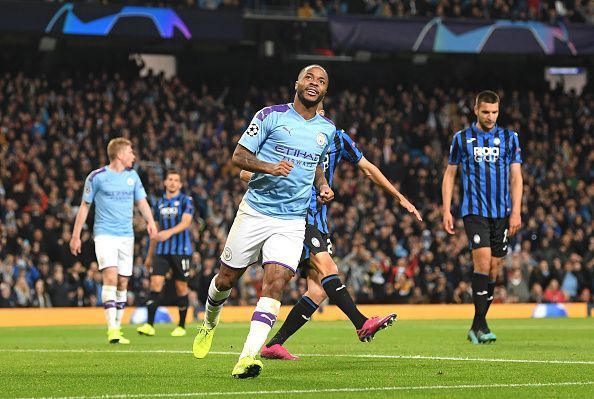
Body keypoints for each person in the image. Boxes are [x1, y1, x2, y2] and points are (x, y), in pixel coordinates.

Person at [242, 104, 423, 361]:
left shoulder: (336, 137)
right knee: (328, 268)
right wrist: (271, 175)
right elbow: (244, 170)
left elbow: (367, 167)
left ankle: (274, 345)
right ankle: (361, 323)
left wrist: (399, 197)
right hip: (293, 216)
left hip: (319, 221)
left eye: (320, 112)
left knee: (317, 289)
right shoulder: (285, 134)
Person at [191, 65, 335, 379]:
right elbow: (238, 157)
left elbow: (316, 166)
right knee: (225, 280)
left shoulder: (327, 129)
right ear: (297, 83)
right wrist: (269, 167)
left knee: (276, 283)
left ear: (325, 91)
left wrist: (322, 185)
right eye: (309, 77)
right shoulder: (270, 116)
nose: (314, 83)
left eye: (321, 81)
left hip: (292, 221)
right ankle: (208, 324)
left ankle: (247, 357)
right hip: (255, 212)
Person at [442, 90, 523, 344]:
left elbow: (516, 177)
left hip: (502, 213)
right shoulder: (462, 138)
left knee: (494, 269)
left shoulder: (510, 139)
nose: (490, 116)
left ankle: (477, 325)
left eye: (494, 112)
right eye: (485, 111)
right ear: (475, 110)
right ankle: (482, 325)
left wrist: (517, 211)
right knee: (483, 262)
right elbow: (450, 174)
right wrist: (446, 209)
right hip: (474, 210)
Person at [70, 137, 157, 344]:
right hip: (104, 234)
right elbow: (84, 206)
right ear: (119, 154)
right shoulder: (97, 177)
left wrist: (150, 222)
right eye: (130, 152)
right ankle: (112, 330)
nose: (133, 156)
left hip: (127, 236)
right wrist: (75, 235)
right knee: (110, 276)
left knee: (123, 281)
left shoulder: (133, 177)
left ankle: (118, 326)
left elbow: (142, 202)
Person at [137, 169, 194, 337]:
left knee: (181, 287)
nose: (173, 182)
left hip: (181, 251)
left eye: (176, 180)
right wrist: (149, 255)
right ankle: (149, 325)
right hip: (161, 251)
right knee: (155, 284)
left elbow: (186, 223)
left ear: (180, 184)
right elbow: (154, 231)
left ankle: (181, 326)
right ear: (165, 182)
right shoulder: (159, 203)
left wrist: (168, 233)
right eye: (170, 179)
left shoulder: (186, 200)